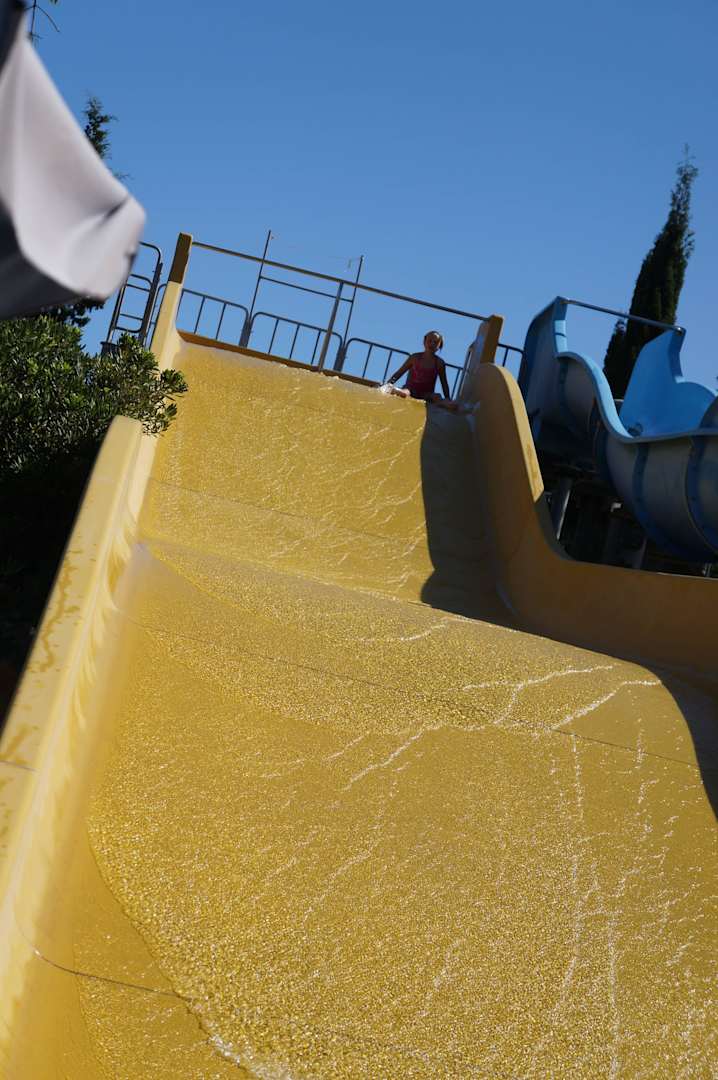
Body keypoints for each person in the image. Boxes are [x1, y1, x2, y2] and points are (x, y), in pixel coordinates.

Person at [385, 331, 455, 407]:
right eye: (430, 341)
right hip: (410, 389)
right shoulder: (415, 357)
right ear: (424, 342)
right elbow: (399, 373)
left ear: (440, 346)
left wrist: (448, 398)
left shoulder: (439, 363)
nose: (432, 344)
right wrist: (388, 384)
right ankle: (393, 390)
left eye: (436, 342)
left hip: (427, 394)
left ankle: (448, 404)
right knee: (404, 393)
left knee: (437, 396)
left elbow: (444, 383)